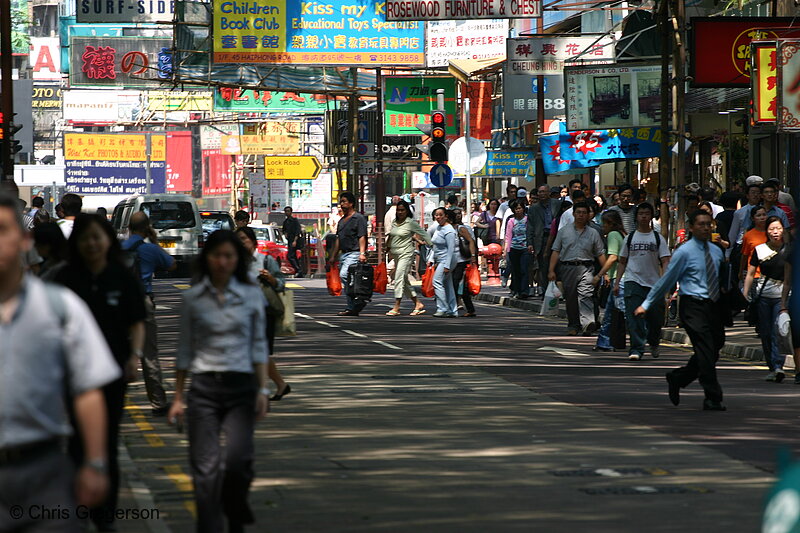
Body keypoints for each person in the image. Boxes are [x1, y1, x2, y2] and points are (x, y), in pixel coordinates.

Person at [0, 194, 120, 533]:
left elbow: (87, 389)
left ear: (25, 239)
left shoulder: (59, 307)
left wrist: (95, 463)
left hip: (45, 470)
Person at [169, 230, 269, 533]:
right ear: (206, 258)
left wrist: (263, 389)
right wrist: (177, 397)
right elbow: (184, 350)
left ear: (237, 260)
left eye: (229, 256)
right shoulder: (192, 298)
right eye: (216, 255)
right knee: (205, 470)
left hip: (241, 387)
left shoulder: (251, 294)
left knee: (239, 462)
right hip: (204, 389)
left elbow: (259, 345)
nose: (222, 262)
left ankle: (234, 511)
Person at [55, 214, 146, 531]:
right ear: (76, 243)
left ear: (108, 240)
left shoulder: (121, 276)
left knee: (106, 442)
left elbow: (137, 321)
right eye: (85, 238)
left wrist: (134, 356)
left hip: (112, 374)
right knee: (76, 443)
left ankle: (105, 516)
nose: (92, 244)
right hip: (70, 374)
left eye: (98, 237)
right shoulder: (64, 279)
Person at [635, 210, 727, 411]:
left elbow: (721, 280)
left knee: (715, 347)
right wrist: (647, 303)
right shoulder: (684, 252)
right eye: (700, 224)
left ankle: (678, 378)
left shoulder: (717, 251)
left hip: (713, 305)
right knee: (704, 347)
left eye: (707, 224)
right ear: (692, 228)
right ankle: (713, 396)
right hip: (692, 305)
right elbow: (667, 279)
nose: (705, 228)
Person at [122, 212, 177, 416]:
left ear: (128, 227)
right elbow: (172, 264)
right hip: (143, 302)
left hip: (120, 303)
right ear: (147, 228)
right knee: (149, 355)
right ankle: (158, 403)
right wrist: (153, 241)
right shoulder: (150, 249)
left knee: (117, 352)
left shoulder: (119, 249)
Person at [236, 226, 291, 400]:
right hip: (241, 313)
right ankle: (279, 385)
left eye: (243, 239)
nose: (240, 243)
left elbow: (281, 284)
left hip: (264, 313)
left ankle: (260, 390)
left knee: (258, 352)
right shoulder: (234, 263)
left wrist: (271, 278)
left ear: (252, 241)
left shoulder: (265, 260)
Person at [614, 203, 672, 360]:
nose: (644, 216)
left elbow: (665, 260)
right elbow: (622, 261)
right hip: (633, 281)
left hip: (654, 284)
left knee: (655, 318)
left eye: (647, 213)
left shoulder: (657, 238)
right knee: (634, 317)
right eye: (641, 214)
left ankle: (654, 342)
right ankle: (636, 349)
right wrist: (617, 281)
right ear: (637, 217)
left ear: (651, 216)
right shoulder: (630, 238)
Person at [743, 216, 790, 382]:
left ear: (783, 229)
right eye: (771, 229)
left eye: (778, 228)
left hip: (782, 296)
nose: (775, 232)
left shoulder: (789, 250)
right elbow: (750, 273)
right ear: (767, 231)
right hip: (763, 296)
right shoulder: (760, 250)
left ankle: (778, 366)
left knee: (778, 331)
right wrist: (745, 294)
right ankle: (772, 366)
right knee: (765, 332)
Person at [549, 202, 607, 336]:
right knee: (571, 298)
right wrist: (551, 270)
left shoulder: (593, 233)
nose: (581, 215)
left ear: (588, 215)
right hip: (567, 268)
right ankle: (573, 325)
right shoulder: (564, 231)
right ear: (574, 214)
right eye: (578, 212)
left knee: (586, 295)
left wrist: (605, 272)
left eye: (584, 213)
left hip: (587, 268)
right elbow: (556, 251)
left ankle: (587, 324)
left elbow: (600, 253)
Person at [386, 199, 431, 316]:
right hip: (396, 254)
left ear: (407, 211)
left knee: (399, 277)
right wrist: (387, 247)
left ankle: (396, 306)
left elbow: (423, 233)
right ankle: (417, 303)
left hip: (406, 254)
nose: (400, 212)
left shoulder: (410, 223)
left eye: (402, 210)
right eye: (398, 210)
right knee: (404, 281)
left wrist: (432, 245)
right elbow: (392, 235)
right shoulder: (395, 222)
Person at [328, 192, 369, 316]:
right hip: (344, 255)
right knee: (348, 280)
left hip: (354, 253)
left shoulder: (358, 218)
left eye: (344, 201)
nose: (342, 204)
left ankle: (359, 299)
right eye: (341, 201)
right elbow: (338, 239)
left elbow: (362, 236)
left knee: (345, 275)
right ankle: (353, 306)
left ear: (351, 203)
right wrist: (333, 256)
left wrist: (362, 253)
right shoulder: (341, 221)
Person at [593, 210, 626, 352]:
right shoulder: (621, 234)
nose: (602, 227)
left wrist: (599, 275)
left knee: (621, 312)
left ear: (610, 224)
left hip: (619, 279)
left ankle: (642, 337)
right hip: (619, 278)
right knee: (610, 313)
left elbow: (612, 257)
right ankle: (604, 342)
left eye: (604, 224)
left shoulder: (613, 235)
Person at [527, 185, 561, 296]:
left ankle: (557, 291)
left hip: (556, 237)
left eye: (544, 192)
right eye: (540, 192)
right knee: (543, 265)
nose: (542, 194)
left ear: (549, 192)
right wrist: (530, 243)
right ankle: (546, 292)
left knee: (557, 265)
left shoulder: (557, 204)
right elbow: (530, 226)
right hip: (541, 239)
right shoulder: (534, 208)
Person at [429, 208, 459, 317]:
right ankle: (453, 310)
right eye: (436, 215)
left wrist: (447, 265)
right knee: (447, 284)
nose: (438, 217)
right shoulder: (438, 228)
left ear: (446, 216)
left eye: (440, 215)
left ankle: (442, 308)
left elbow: (451, 249)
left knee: (436, 281)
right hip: (440, 259)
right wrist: (431, 259)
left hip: (447, 259)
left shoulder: (449, 230)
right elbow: (435, 246)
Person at [780, 243, 800, 384]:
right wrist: (783, 305)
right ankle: (799, 371)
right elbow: (787, 282)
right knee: (797, 340)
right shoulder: (793, 253)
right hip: (797, 301)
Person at [452, 208, 477, 317]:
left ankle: (455, 307)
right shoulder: (446, 229)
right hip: (451, 261)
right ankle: (469, 308)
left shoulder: (461, 229)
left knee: (456, 283)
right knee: (459, 286)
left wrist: (473, 257)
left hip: (461, 261)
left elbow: (471, 241)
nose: (458, 216)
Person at [504, 200, 530, 299]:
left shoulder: (527, 220)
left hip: (525, 248)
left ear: (523, 209)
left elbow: (530, 233)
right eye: (516, 209)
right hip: (514, 248)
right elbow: (508, 235)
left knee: (524, 270)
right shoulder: (511, 221)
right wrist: (506, 249)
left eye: (520, 208)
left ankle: (524, 291)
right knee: (516, 271)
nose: (518, 210)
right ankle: (517, 290)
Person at [740, 205, 769, 279]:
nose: (762, 218)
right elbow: (745, 255)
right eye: (758, 215)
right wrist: (740, 271)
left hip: (770, 274)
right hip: (755, 274)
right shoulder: (748, 235)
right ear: (753, 218)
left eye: (764, 215)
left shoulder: (772, 233)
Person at [282, 206, 305, 277]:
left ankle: (298, 270)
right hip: (289, 240)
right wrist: (285, 234)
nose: (287, 212)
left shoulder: (295, 220)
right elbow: (284, 230)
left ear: (291, 212)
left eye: (288, 211)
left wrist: (295, 240)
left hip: (295, 240)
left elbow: (297, 231)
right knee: (292, 256)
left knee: (291, 256)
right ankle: (299, 271)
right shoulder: (285, 222)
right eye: (286, 211)